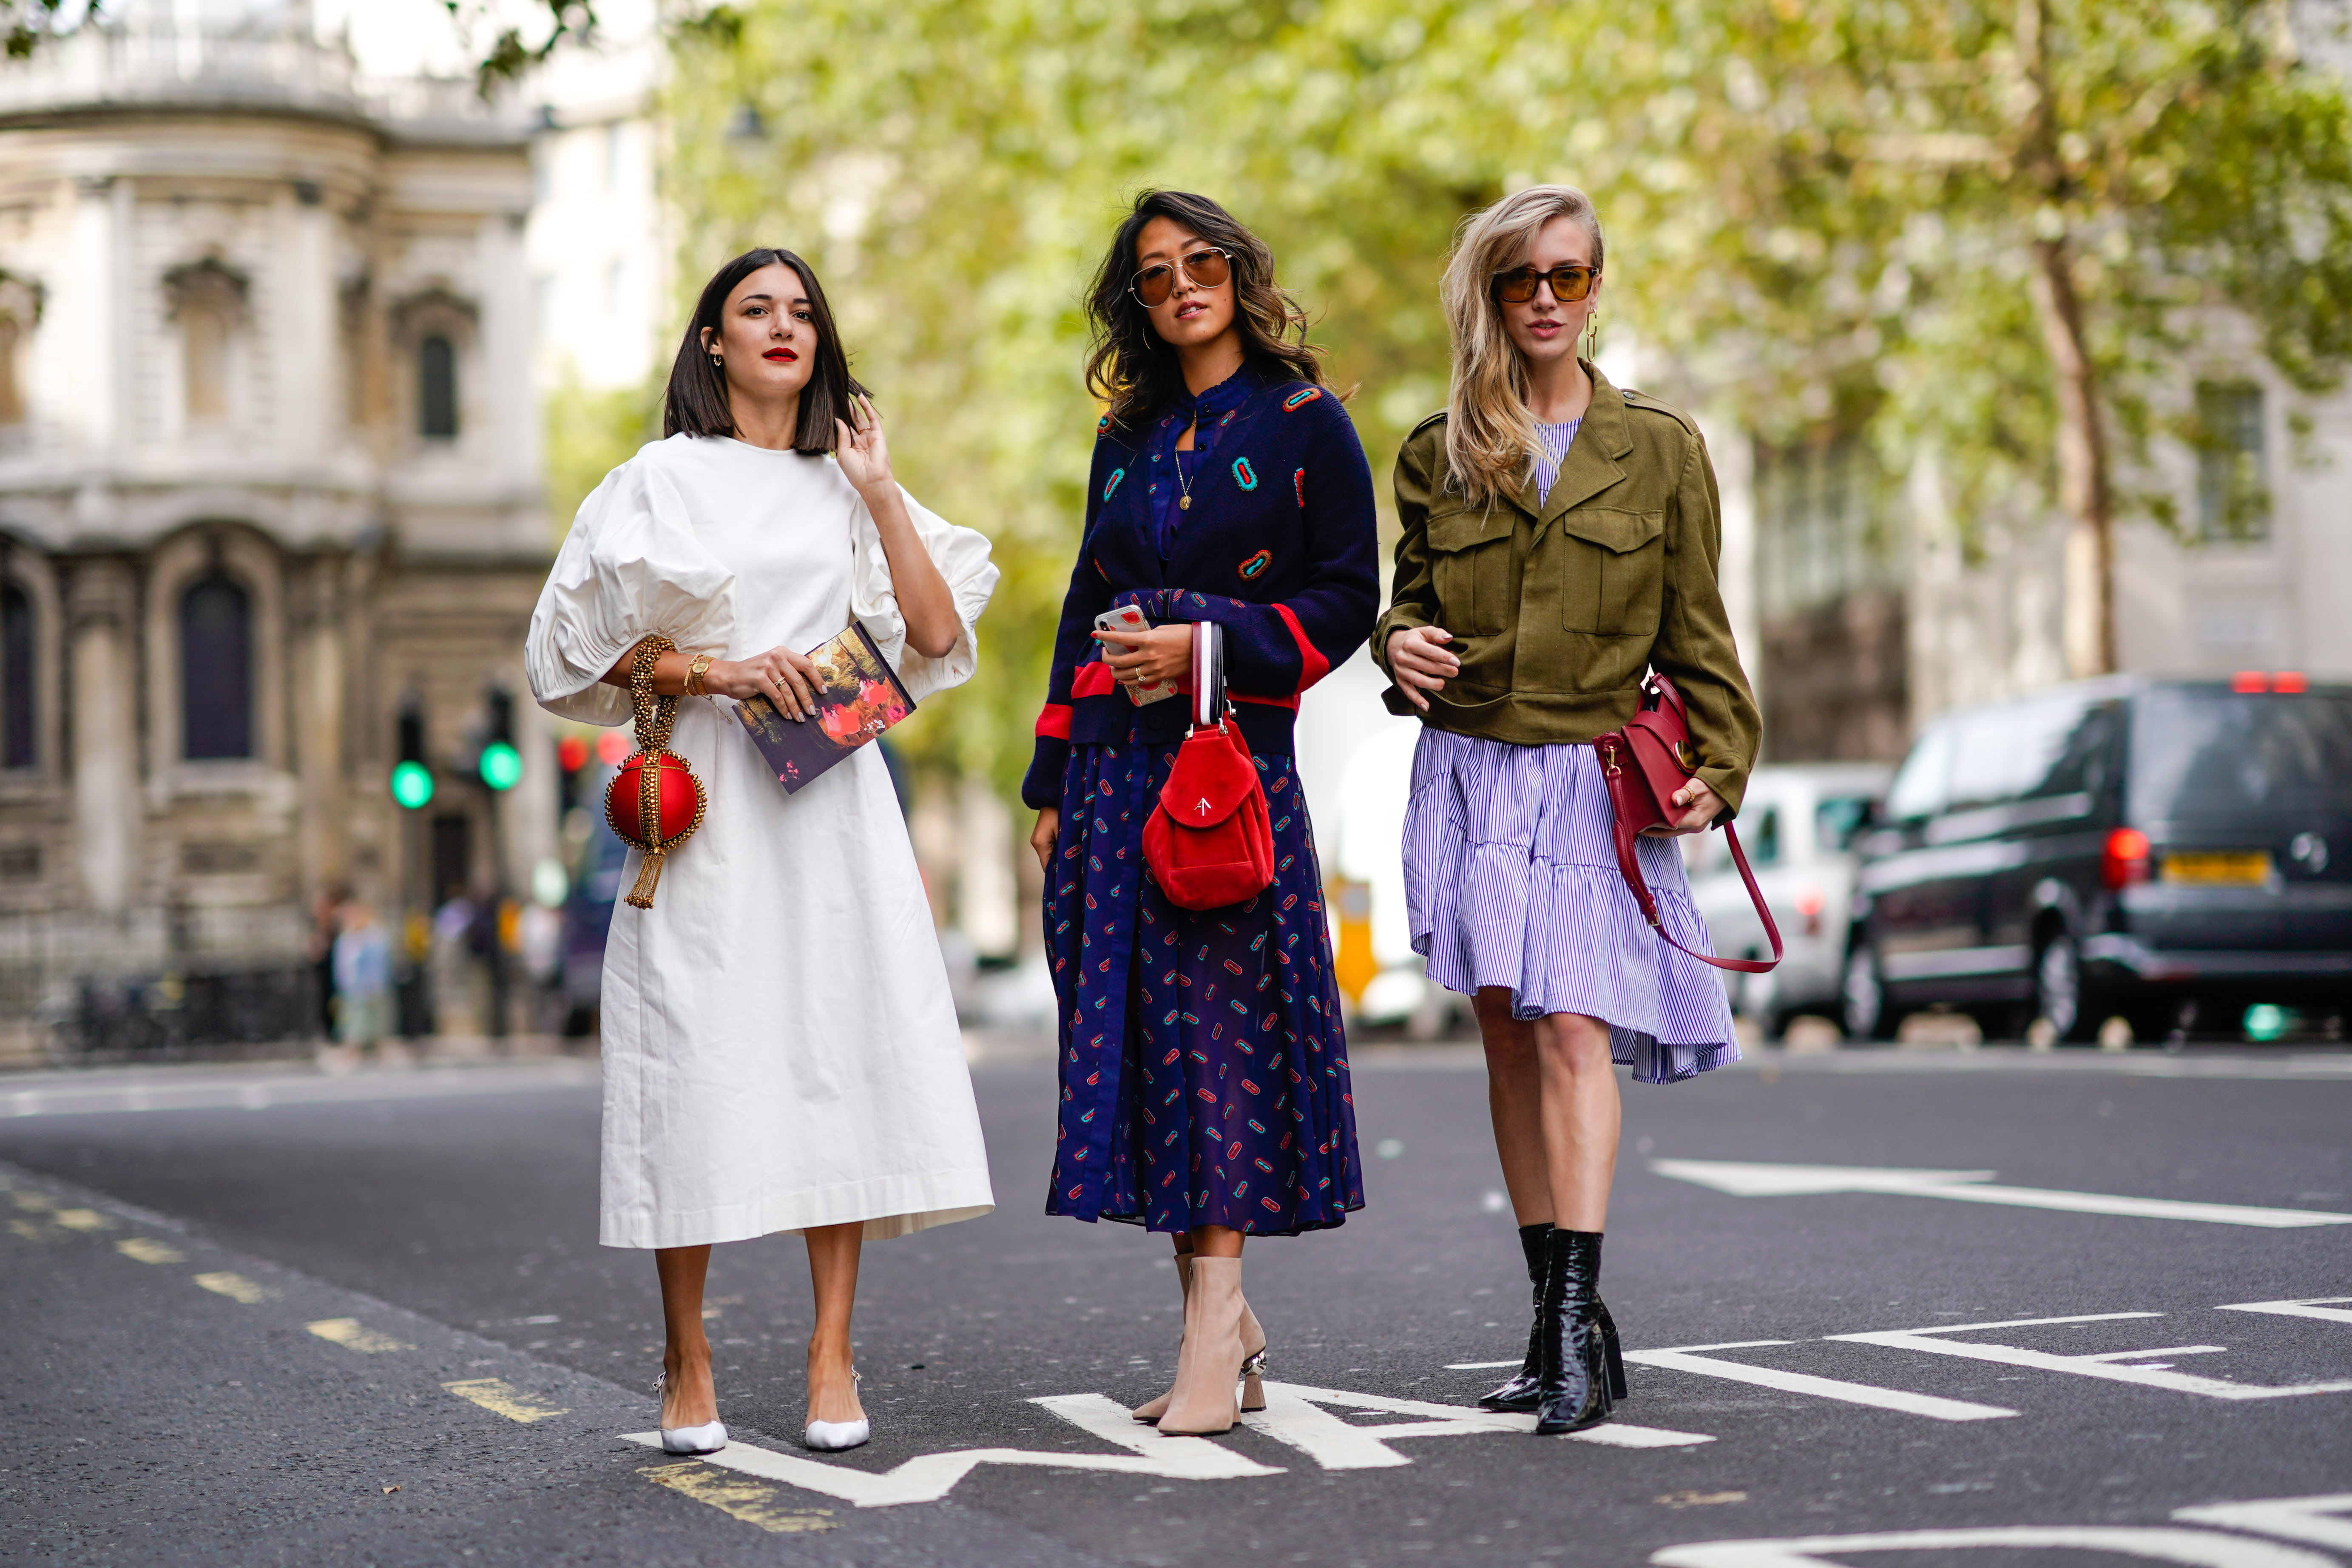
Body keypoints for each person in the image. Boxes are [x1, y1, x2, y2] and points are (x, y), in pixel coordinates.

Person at [525, 246, 1000, 1457]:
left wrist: (882, 491)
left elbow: (938, 639)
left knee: (830, 1054)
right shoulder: (655, 483)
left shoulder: (845, 484)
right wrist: (716, 669)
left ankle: (829, 1351)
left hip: (832, 803)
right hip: (701, 807)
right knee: (693, 1064)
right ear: (713, 344)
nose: (783, 328)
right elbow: (566, 661)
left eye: (801, 312)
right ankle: (687, 1357)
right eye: (756, 310)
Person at [1373, 186, 1761, 1436]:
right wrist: (1400, 648)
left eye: (1568, 277)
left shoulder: (1658, 448)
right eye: (1519, 279)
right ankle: (1556, 1319)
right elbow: (1404, 603)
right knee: (1503, 1033)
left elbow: (1698, 630)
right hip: (1475, 768)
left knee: (1572, 1032)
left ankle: (1570, 1326)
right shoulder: (1436, 451)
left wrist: (1726, 754)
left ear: (1595, 289)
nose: (1545, 299)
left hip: (1590, 780)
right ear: (1485, 295)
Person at [1025, 190, 1378, 1436]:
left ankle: (1206, 1333)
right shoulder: (1123, 437)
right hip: (1114, 777)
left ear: (1236, 270)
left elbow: (1348, 600)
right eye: (1158, 272)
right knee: (1150, 1052)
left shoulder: (1302, 422)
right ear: (1137, 298)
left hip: (1225, 776)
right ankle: (1217, 1320)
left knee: (1220, 1045)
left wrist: (1204, 640)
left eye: (1202, 262)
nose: (1182, 284)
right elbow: (1083, 598)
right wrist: (1048, 781)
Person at [329, 898, 390, 1055]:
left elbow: (379, 963)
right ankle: (352, 1049)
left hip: (372, 987)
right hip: (354, 989)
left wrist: (375, 983)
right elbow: (343, 966)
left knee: (377, 1021)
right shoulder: (347, 939)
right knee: (353, 1021)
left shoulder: (374, 935)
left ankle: (379, 1048)